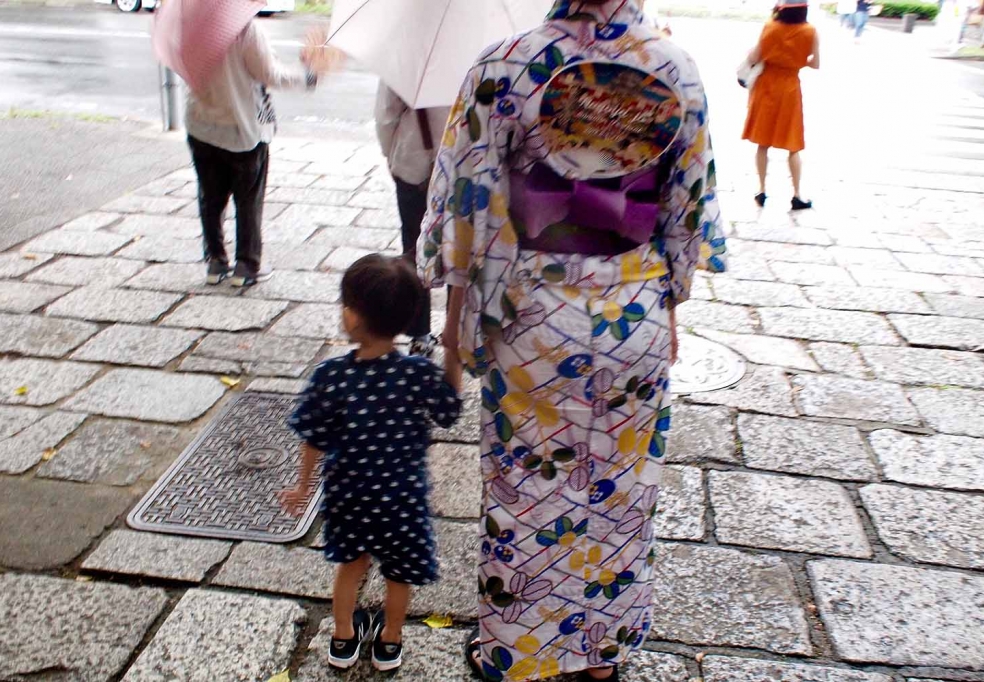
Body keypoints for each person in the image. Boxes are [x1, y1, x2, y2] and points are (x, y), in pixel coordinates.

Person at [418, 1, 726, 680]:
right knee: (619, 491)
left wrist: (456, 321)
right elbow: (686, 209)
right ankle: (599, 655)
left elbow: (467, 203)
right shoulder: (674, 67)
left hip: (534, 317)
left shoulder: (504, 64)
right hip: (632, 312)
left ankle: (520, 649)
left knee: (524, 487)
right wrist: (668, 302)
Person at [279, 254, 462, 673]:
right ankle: (390, 641)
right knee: (399, 575)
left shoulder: (331, 376)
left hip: (350, 498)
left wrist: (303, 486)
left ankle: (343, 636)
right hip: (402, 502)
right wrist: (453, 354)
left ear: (352, 316)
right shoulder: (417, 374)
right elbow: (450, 411)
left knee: (351, 566)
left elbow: (314, 437)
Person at [185, 19, 317, 287]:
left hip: (201, 125)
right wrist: (309, 75)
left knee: (210, 198)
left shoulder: (190, 23)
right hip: (242, 128)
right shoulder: (244, 28)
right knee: (248, 200)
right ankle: (246, 264)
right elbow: (271, 75)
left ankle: (215, 261)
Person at [375, 85, 452, 357]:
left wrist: (390, 154)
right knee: (459, 247)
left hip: (413, 163)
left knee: (414, 246)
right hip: (461, 168)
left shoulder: (406, 56)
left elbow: (386, 116)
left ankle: (420, 333)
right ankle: (457, 330)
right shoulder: (477, 51)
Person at [742, 1, 820, 210]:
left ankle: (761, 190)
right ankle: (796, 194)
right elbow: (816, 63)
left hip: (766, 86)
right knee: (793, 144)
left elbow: (755, 56)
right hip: (790, 88)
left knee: (762, 142)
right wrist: (798, 60)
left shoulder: (770, 26)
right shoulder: (810, 31)